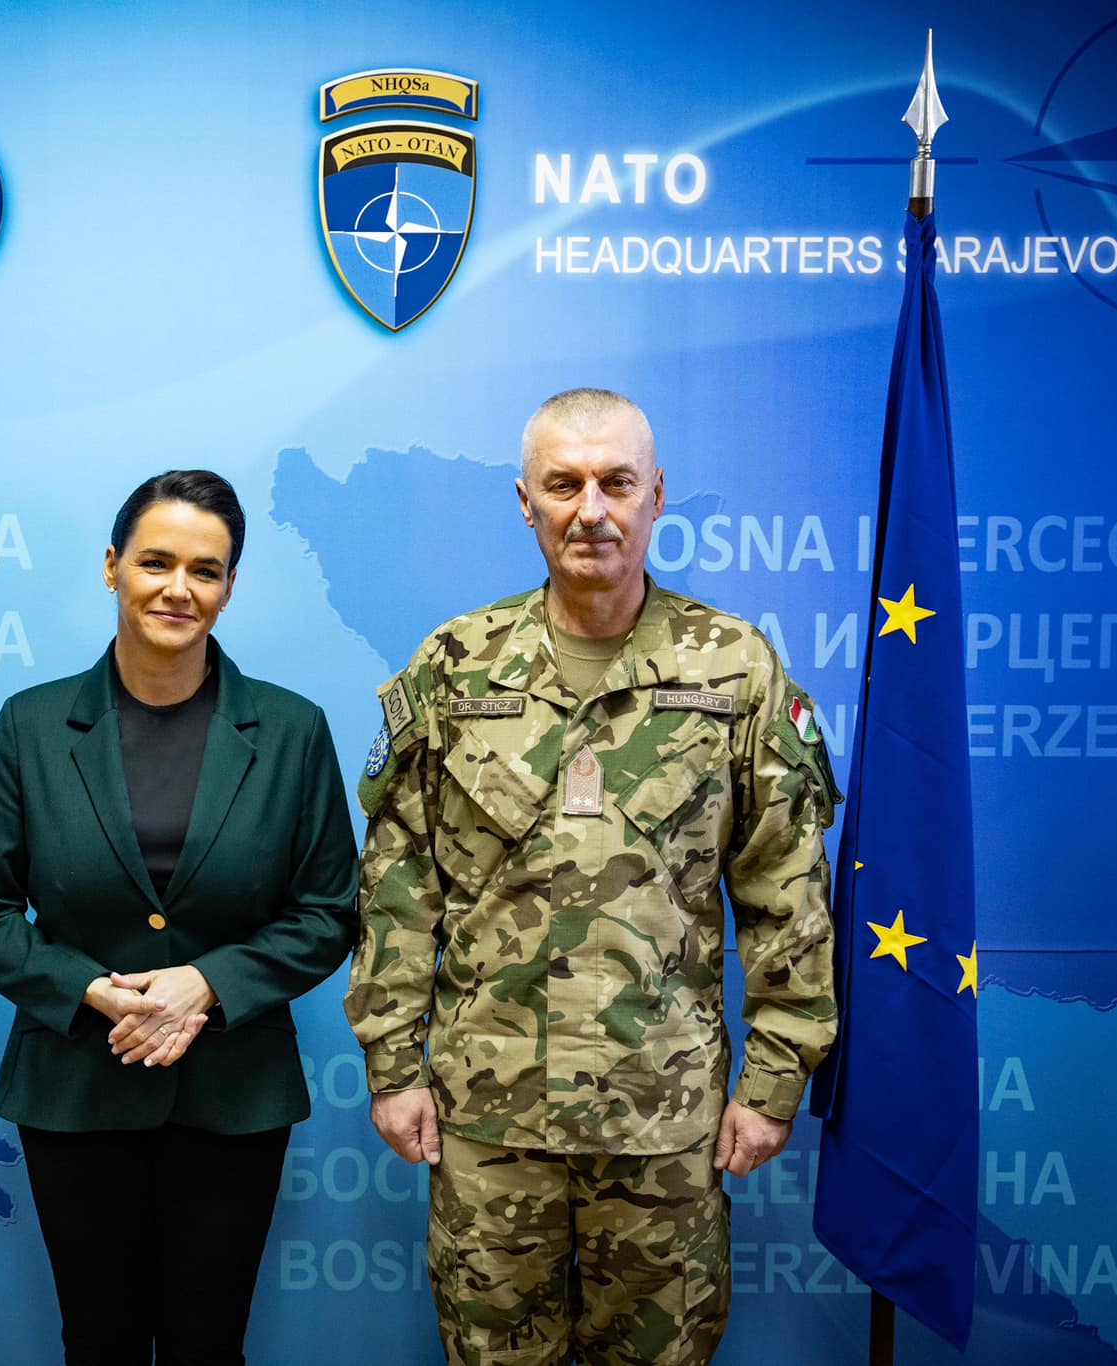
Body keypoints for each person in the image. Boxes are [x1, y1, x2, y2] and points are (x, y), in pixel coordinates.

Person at [347, 389, 841, 1366]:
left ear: (655, 495)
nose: (591, 510)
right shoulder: (455, 666)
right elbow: (399, 884)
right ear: (524, 502)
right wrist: (392, 1065)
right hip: (489, 1124)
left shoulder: (733, 667)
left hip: (663, 1122)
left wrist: (775, 1077)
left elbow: (785, 886)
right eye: (563, 485)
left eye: (615, 483)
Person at [0, 469, 359, 1366]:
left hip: (234, 1096)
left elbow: (330, 913)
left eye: (205, 571)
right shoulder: (31, 726)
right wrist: (91, 990)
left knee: (209, 1346)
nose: (179, 588)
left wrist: (206, 983)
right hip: (75, 1087)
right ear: (113, 568)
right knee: (98, 1343)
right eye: (156, 562)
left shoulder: (292, 731)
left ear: (229, 587)